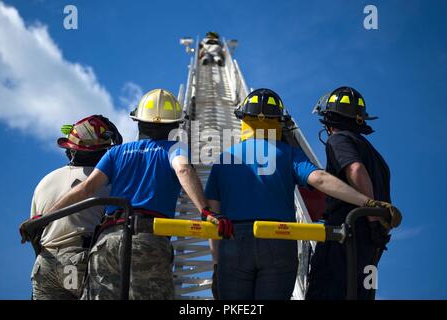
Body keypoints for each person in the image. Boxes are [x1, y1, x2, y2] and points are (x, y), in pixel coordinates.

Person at [204, 88, 400, 300]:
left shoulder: (224, 159)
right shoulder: (288, 153)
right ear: (279, 121)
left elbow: (213, 219)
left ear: (243, 118)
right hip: (278, 238)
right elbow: (320, 179)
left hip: (234, 242)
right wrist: (369, 203)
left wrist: (217, 265)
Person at [47, 89, 232, 300]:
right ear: (175, 125)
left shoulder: (116, 152)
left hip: (107, 242)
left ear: (138, 121)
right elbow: (183, 169)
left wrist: (45, 217)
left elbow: (86, 188)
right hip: (147, 240)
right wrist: (205, 211)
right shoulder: (174, 148)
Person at [306, 86, 402, 300]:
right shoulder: (378, 158)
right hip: (371, 245)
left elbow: (355, 169)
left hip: (346, 233)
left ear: (329, 118)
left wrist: (371, 216)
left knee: (326, 292)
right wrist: (376, 227)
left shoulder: (338, 139)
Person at [28, 115, 122, 300]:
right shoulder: (106, 183)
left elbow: (35, 229)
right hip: (75, 263)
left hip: (45, 264)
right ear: (103, 153)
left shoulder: (45, 181)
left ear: (71, 150)